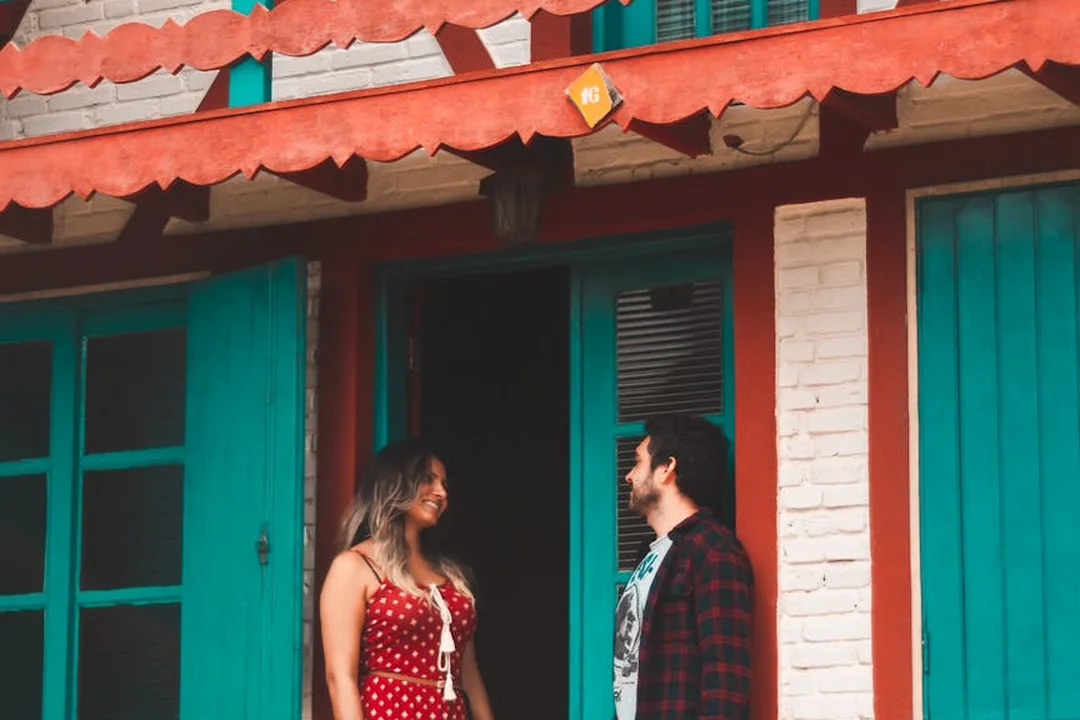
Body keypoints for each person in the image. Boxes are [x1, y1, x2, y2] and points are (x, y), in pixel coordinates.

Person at [320, 440, 496, 720]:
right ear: (394, 483)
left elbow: (468, 671)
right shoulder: (355, 566)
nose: (441, 492)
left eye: (445, 484)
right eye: (428, 479)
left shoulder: (451, 576)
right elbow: (340, 677)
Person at [613, 414, 754, 720]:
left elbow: (726, 682)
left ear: (667, 468)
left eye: (638, 462)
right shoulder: (648, 554)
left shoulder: (713, 550)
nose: (628, 476)